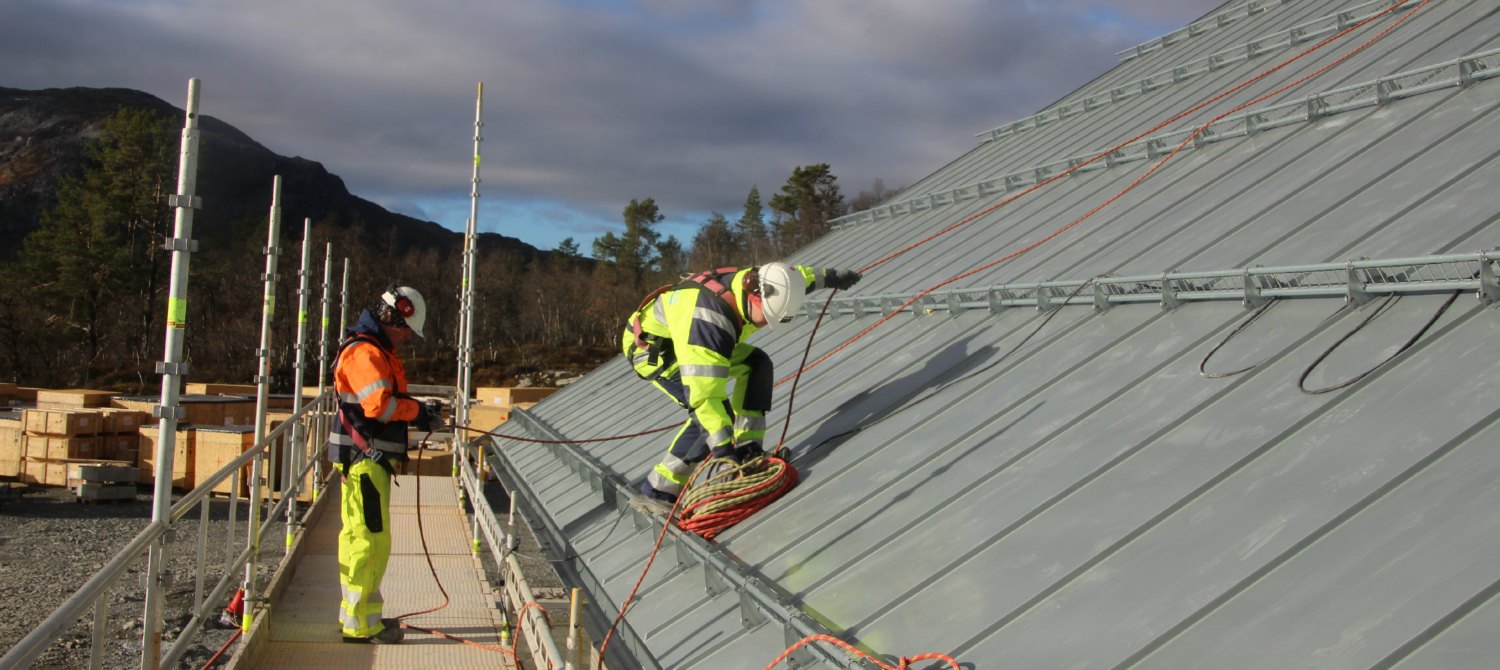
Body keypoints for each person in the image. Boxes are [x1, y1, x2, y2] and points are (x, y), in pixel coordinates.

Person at [623, 262, 861, 514]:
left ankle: (748, 451)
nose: (766, 325)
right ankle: (657, 491)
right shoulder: (708, 325)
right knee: (712, 419)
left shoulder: (763, 280)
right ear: (755, 297)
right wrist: (724, 454)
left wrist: (831, 277)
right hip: (659, 352)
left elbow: (796, 279)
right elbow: (705, 398)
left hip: (695, 334)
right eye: (766, 318)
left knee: (756, 364)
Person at [325, 285, 438, 644]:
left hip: (364, 462)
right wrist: (418, 413)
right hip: (365, 461)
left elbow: (384, 402)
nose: (407, 337)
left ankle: (359, 617)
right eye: (406, 329)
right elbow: (379, 407)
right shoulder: (365, 353)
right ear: (395, 317)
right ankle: (360, 626)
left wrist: (418, 410)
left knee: (361, 539)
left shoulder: (372, 350)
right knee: (370, 543)